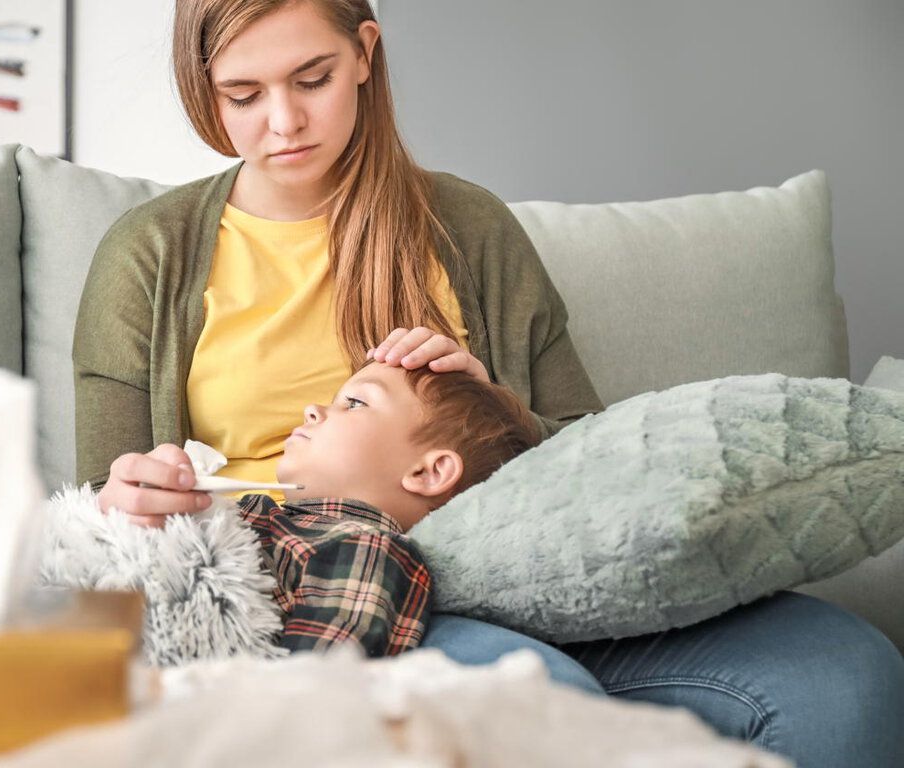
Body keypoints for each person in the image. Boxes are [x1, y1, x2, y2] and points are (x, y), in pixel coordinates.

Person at [72, 1, 904, 764]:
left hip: (510, 582)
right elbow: (96, 506)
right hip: (319, 596)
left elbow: (594, 456)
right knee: (541, 704)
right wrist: (133, 497)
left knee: (846, 673)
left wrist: (498, 410)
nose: (282, 122)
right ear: (201, 90)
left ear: (364, 54)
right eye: (242, 94)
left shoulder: (468, 228)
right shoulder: (152, 255)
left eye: (312, 79)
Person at [99, 361, 541, 656]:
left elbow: (312, 685)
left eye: (355, 402)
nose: (312, 409)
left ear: (427, 472)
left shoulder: (365, 549)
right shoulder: (261, 517)